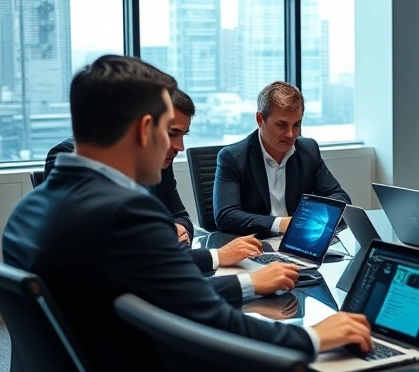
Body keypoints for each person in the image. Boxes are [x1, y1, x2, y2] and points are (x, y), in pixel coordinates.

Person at [2, 55, 372, 372]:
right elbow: (212, 322)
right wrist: (315, 336)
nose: (176, 147)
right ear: (145, 130)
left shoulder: (29, 210)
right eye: (169, 131)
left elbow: (154, 297)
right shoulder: (124, 214)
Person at [43, 89, 291, 305]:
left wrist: (170, 232)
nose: (179, 147)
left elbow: (181, 218)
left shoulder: (158, 158)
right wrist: (219, 260)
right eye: (172, 133)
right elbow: (136, 264)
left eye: (183, 134)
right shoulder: (71, 160)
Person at [214, 81, 350, 236]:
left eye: (296, 125)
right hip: (256, 245)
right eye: (281, 125)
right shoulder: (232, 158)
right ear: (260, 119)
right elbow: (226, 217)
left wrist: (310, 217)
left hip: (299, 242)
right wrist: (283, 223)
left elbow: (341, 199)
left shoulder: (308, 151)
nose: (291, 134)